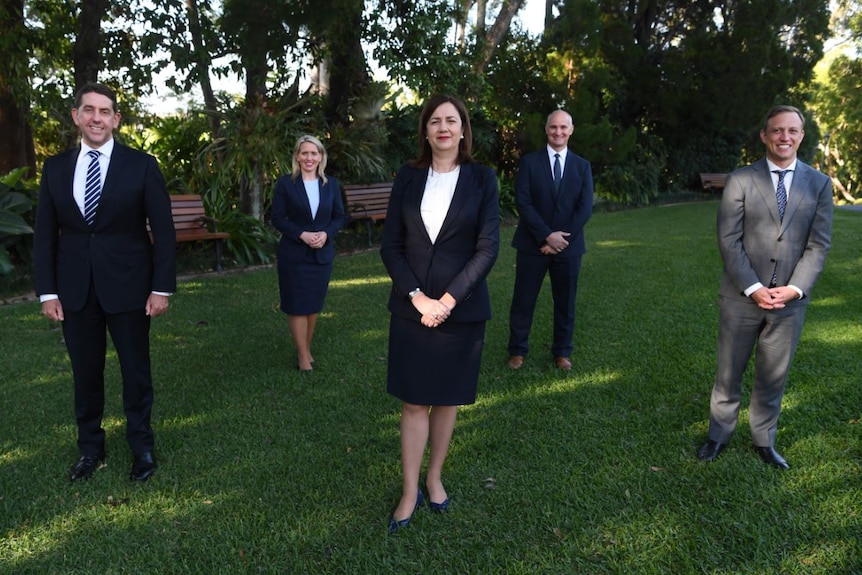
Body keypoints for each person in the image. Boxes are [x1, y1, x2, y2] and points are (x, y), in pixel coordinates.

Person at [34, 82, 177, 482]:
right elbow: (45, 235)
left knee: (135, 371)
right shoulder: (55, 168)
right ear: (77, 116)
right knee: (85, 374)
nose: (97, 118)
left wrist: (161, 287)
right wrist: (48, 291)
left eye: (105, 111)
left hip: (131, 287)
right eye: (89, 110)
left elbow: (163, 232)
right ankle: (90, 450)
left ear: (116, 119)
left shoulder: (142, 165)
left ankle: (142, 449)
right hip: (75, 290)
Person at [380, 94, 500, 533]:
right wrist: (417, 297)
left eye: (451, 120)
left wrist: (447, 302)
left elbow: (488, 247)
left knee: (447, 399)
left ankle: (435, 479)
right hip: (412, 309)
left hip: (461, 311)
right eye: (435, 121)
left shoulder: (483, 178)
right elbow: (390, 246)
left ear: (463, 130)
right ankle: (409, 489)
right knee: (414, 401)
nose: (443, 127)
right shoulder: (408, 179)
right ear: (425, 131)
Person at [697, 105, 833, 470]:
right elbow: (729, 239)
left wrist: (795, 289)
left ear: (802, 136)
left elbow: (818, 245)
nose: (784, 137)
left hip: (789, 301)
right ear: (764, 135)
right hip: (742, 297)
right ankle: (718, 436)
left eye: (792, 130)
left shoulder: (819, 184)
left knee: (773, 375)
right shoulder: (741, 180)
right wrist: (753, 287)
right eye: (777, 130)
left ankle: (763, 440)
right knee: (729, 371)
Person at [506, 110, 594, 371]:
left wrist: (559, 240)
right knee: (523, 300)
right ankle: (517, 351)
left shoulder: (582, 166)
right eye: (553, 127)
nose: (558, 132)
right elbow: (523, 201)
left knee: (565, 302)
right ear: (546, 129)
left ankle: (562, 352)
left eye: (563, 127)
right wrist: (546, 236)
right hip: (532, 244)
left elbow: (585, 208)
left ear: (571, 130)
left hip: (569, 247)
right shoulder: (529, 163)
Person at [272, 135, 346, 372]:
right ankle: (303, 356)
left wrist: (326, 234)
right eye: (304, 153)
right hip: (293, 255)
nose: (309, 158)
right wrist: (301, 234)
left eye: (314, 153)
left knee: (313, 305)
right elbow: (277, 218)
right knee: (296, 305)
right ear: (297, 156)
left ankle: (306, 348)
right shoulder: (285, 184)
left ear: (321, 157)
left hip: (321, 255)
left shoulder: (331, 184)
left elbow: (339, 217)